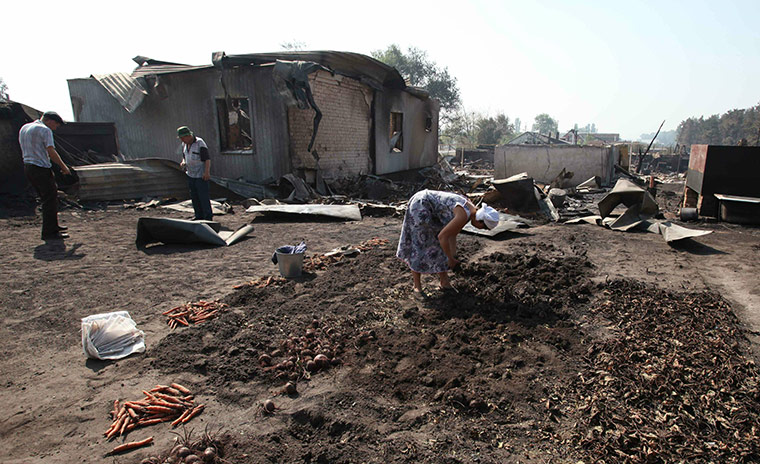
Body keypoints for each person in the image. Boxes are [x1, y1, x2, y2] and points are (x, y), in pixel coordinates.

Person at [396, 189, 500, 295]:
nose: (481, 230)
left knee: (441, 245)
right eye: (483, 228)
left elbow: (452, 235)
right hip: (421, 205)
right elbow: (443, 237)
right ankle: (417, 286)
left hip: (432, 210)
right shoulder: (463, 215)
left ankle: (444, 283)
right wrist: (449, 258)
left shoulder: (470, 211)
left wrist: (453, 257)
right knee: (420, 243)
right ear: (480, 220)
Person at [19, 111, 72, 240]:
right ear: (50, 121)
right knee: (50, 199)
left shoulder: (25, 128)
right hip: (41, 167)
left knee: (46, 198)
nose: (56, 128)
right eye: (56, 125)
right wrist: (63, 166)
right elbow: (51, 150)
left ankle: (53, 226)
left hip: (28, 166)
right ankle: (49, 232)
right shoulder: (45, 130)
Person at [177, 126, 212, 221]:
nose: (182, 140)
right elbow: (184, 156)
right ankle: (198, 216)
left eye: (183, 138)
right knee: (194, 197)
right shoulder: (184, 144)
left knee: (203, 197)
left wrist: (206, 172)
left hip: (201, 175)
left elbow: (207, 159)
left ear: (188, 136)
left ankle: (208, 217)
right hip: (190, 174)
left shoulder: (200, 143)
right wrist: (183, 162)